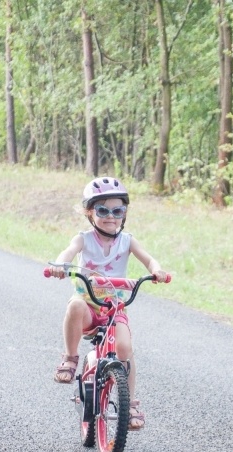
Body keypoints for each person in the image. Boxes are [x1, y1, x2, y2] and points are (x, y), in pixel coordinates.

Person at [48, 177, 167, 431]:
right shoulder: (84, 239)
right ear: (90, 213)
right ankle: (70, 357)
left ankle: (131, 402)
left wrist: (157, 271)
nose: (110, 216)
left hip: (113, 307)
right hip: (89, 305)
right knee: (75, 306)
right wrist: (60, 266)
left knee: (125, 349)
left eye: (117, 210)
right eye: (103, 210)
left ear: (124, 214)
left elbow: (149, 260)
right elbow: (68, 253)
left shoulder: (127, 241)